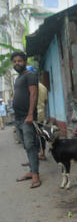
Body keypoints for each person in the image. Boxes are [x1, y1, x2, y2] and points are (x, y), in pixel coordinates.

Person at [11, 51, 41, 188]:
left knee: (31, 146)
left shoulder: (30, 75)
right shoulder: (18, 78)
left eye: (19, 61)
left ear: (25, 61)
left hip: (26, 118)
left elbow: (33, 94)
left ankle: (35, 175)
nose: (17, 63)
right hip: (18, 119)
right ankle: (31, 171)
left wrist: (30, 115)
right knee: (26, 146)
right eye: (14, 62)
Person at [26, 66, 48, 160]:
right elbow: (45, 101)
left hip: (32, 114)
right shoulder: (43, 87)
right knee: (41, 135)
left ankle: (35, 156)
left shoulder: (29, 87)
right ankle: (42, 153)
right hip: (41, 113)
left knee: (33, 136)